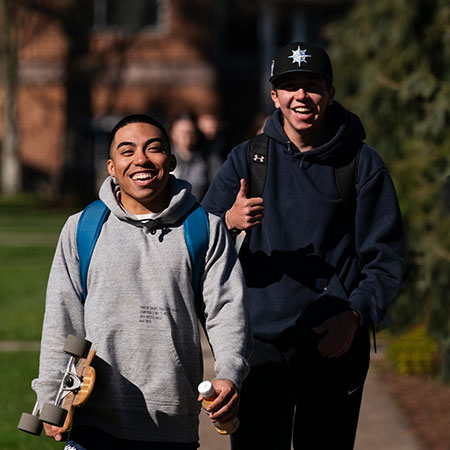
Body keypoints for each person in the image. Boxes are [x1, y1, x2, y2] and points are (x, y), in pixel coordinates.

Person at [202, 41, 405, 449]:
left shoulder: (362, 164)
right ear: (274, 96)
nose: (302, 96)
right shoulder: (247, 159)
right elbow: (196, 244)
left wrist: (354, 313)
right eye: (289, 86)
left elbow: (385, 260)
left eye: (312, 85)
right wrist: (227, 221)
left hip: (334, 344)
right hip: (259, 345)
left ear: (329, 93)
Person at [32, 114, 252, 449]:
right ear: (111, 165)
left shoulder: (205, 228)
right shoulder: (82, 228)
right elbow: (63, 318)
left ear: (172, 160)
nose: (141, 160)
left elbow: (226, 311)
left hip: (172, 424)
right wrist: (51, 395)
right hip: (92, 418)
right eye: (127, 150)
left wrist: (229, 374)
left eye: (154, 149)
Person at [170, 112, 222, 201]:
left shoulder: (209, 159)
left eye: (190, 132)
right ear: (173, 133)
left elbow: (219, 187)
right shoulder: (164, 158)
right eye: (181, 132)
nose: (186, 136)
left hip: (200, 210)